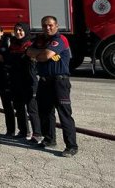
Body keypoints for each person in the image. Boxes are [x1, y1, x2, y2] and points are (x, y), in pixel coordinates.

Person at [27, 16, 78, 157]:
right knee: (45, 112)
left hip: (59, 82)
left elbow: (46, 55)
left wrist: (41, 53)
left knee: (64, 114)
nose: (47, 28)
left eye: (50, 25)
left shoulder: (60, 39)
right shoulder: (40, 39)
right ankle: (49, 140)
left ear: (57, 25)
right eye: (44, 25)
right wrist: (42, 53)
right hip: (44, 81)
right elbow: (28, 52)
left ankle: (71, 146)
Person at [4, 23, 42, 142]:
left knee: (32, 109)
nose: (18, 32)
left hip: (29, 81)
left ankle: (37, 134)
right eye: (16, 30)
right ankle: (23, 131)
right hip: (15, 81)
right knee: (19, 108)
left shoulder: (31, 44)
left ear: (26, 31)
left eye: (21, 30)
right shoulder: (13, 45)